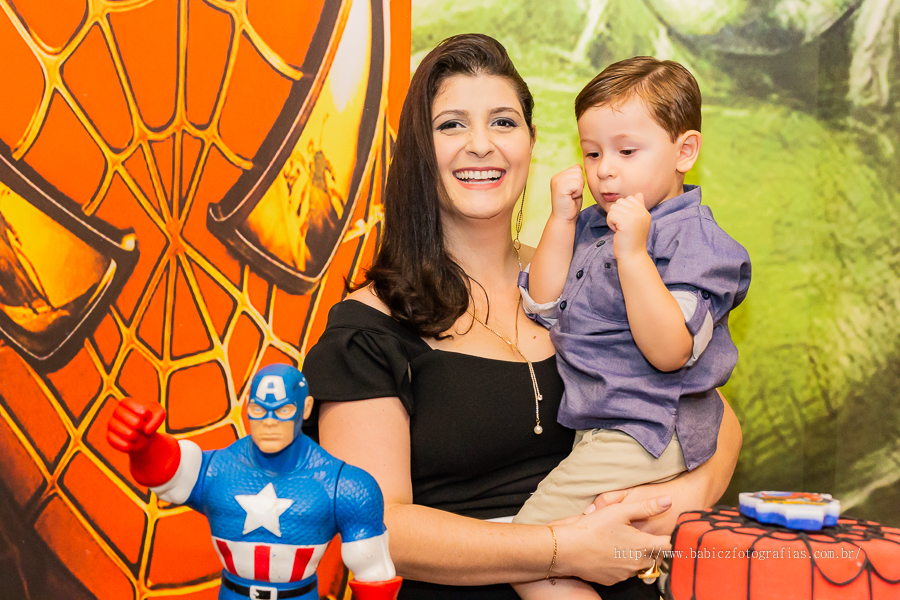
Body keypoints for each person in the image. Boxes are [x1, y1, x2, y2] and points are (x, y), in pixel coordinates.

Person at [302, 34, 743, 599]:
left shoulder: (597, 275)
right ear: (418, 150)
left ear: (532, 142)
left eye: (503, 122)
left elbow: (709, 412)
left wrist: (687, 497)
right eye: (452, 125)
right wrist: (561, 547)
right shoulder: (366, 332)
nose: (481, 145)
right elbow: (378, 526)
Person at [511, 58, 751, 599]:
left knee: (530, 546)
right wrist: (561, 222)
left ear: (684, 152)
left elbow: (670, 350)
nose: (604, 171)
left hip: (647, 429)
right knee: (581, 549)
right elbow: (543, 303)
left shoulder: (694, 243)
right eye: (592, 153)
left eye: (626, 151)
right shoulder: (593, 225)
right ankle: (663, 570)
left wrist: (634, 255)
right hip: (602, 428)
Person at [106, 363, 402, 600]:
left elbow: (374, 574)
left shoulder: (344, 486)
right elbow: (169, 473)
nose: (269, 423)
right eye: (259, 410)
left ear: (305, 408)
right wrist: (145, 445)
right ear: (247, 407)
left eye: (283, 411)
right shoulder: (220, 469)